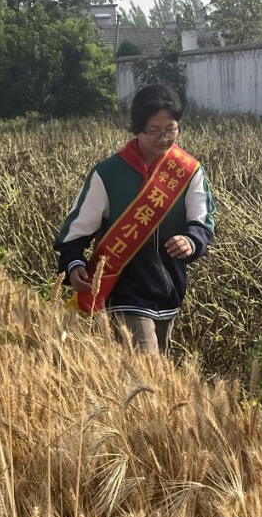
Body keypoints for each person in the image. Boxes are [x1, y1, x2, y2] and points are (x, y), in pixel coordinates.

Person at [54, 84, 215, 355]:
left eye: (171, 129)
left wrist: (191, 241)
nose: (164, 138)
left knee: (157, 375)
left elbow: (202, 222)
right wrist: (74, 264)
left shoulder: (188, 171)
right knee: (146, 371)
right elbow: (74, 235)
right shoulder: (108, 174)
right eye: (154, 131)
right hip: (124, 293)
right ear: (136, 127)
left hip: (170, 290)